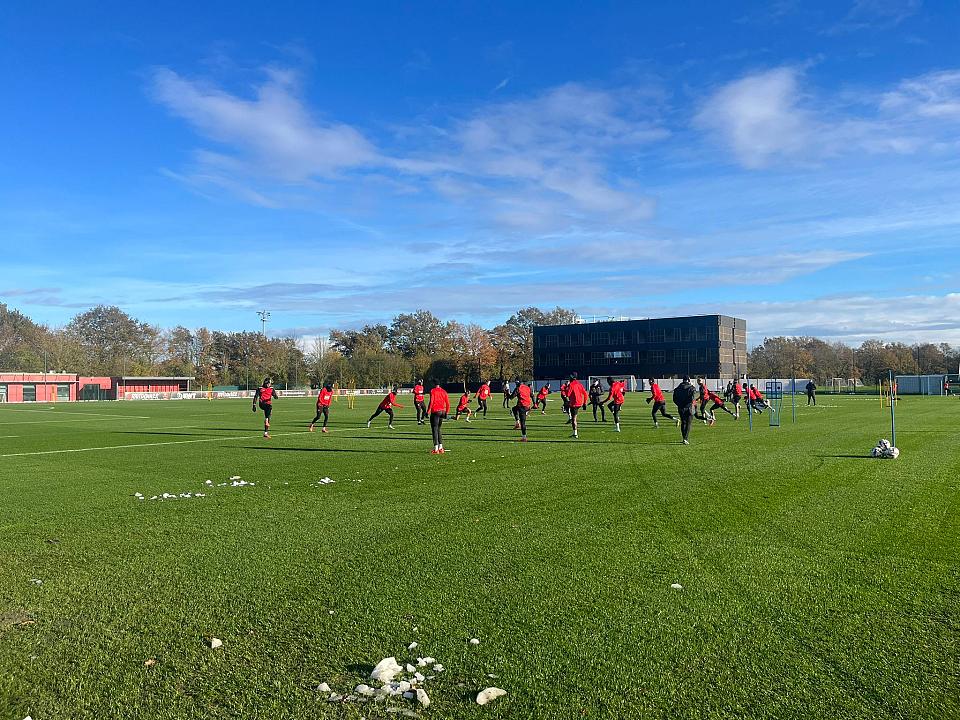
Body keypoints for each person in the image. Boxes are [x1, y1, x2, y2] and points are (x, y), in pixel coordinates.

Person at [425, 379, 449, 454]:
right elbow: (448, 403)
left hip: (435, 411)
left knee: (434, 429)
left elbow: (431, 402)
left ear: (434, 384)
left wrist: (427, 412)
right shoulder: (444, 391)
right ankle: (441, 447)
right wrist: (446, 413)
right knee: (439, 429)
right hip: (442, 411)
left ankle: (436, 449)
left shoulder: (433, 391)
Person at [672, 375, 696, 445]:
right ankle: (685, 438)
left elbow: (674, 399)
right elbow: (692, 399)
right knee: (688, 423)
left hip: (681, 407)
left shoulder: (677, 388)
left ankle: (683, 438)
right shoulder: (692, 388)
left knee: (683, 422)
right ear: (689, 380)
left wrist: (679, 404)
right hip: (689, 407)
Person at [566, 373, 588, 438]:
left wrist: (566, 387)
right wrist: (584, 403)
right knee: (573, 416)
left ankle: (575, 433)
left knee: (573, 419)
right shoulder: (579, 384)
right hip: (580, 403)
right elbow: (585, 394)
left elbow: (567, 394)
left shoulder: (571, 385)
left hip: (574, 404)